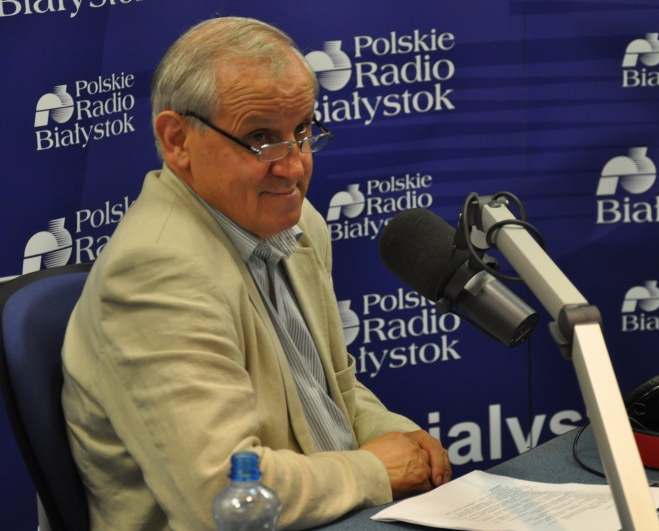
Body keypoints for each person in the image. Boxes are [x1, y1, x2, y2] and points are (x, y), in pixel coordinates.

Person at [61, 16, 451, 530]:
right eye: (261, 138)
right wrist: (377, 470)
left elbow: (329, 393)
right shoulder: (155, 272)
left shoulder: (296, 221)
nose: (293, 167)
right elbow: (221, 495)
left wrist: (396, 436)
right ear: (178, 140)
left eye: (303, 130)